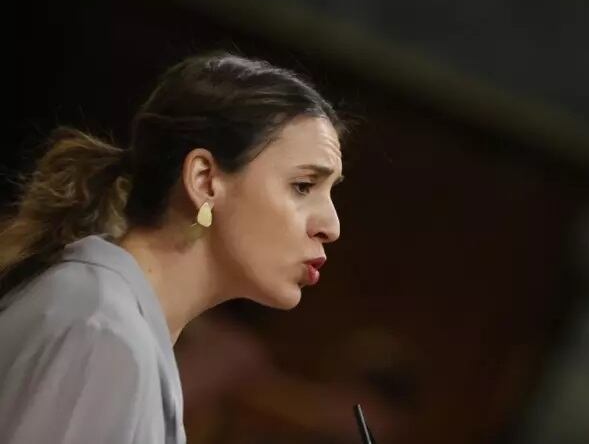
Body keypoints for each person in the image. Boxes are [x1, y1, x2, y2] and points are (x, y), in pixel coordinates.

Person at [0, 53, 345, 443]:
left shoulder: (117, 326)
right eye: (302, 186)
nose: (330, 226)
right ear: (205, 180)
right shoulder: (102, 334)